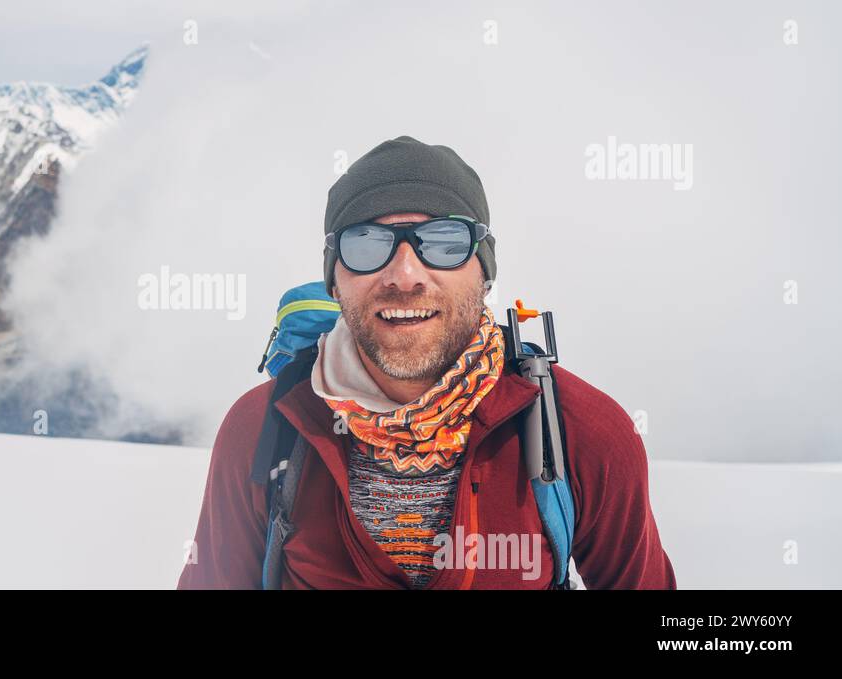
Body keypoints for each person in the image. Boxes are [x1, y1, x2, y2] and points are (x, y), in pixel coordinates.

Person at [178, 136, 676, 589]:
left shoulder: (580, 431)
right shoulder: (268, 425)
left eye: (444, 243)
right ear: (335, 279)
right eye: (367, 243)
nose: (406, 274)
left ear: (484, 270)